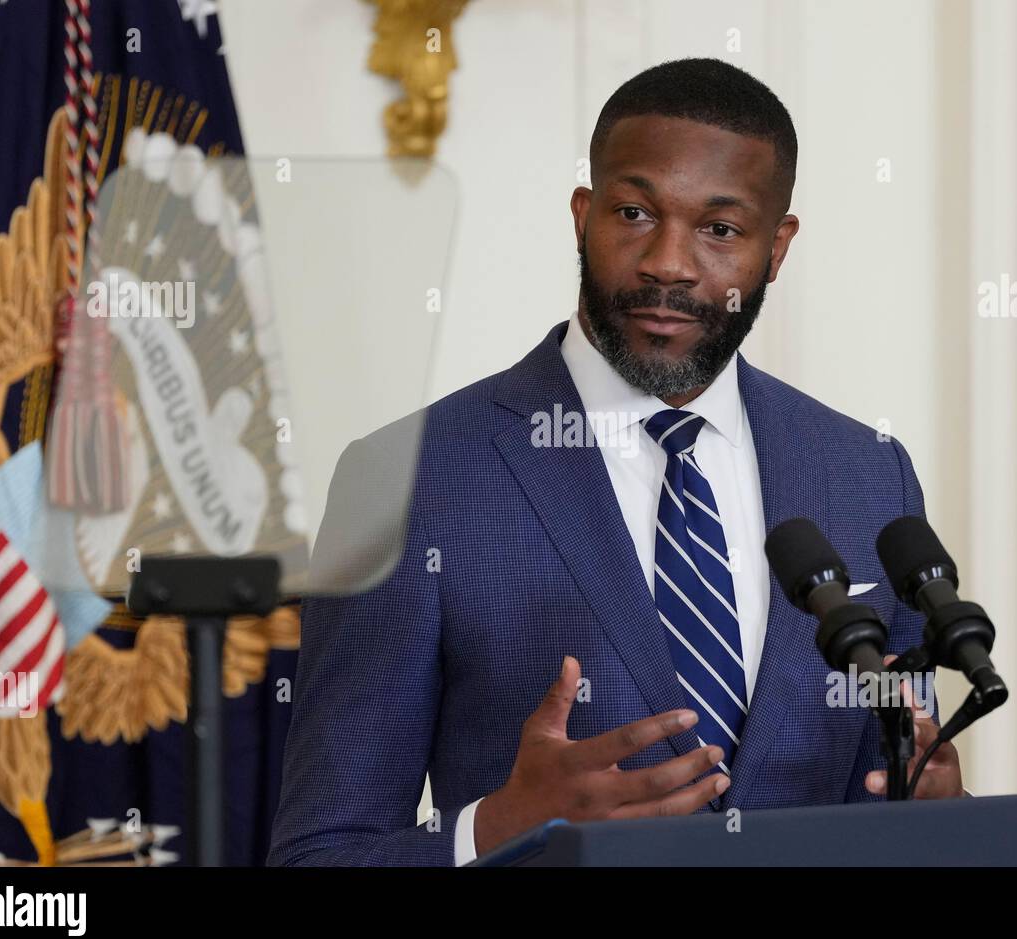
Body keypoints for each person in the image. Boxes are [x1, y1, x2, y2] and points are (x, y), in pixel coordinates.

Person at [268, 57, 963, 868]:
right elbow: (320, 855)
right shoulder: (407, 477)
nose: (668, 261)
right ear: (582, 215)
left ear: (777, 249)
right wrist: (493, 829)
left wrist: (941, 817)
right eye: (634, 212)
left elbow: (894, 801)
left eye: (720, 229)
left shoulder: (867, 475)